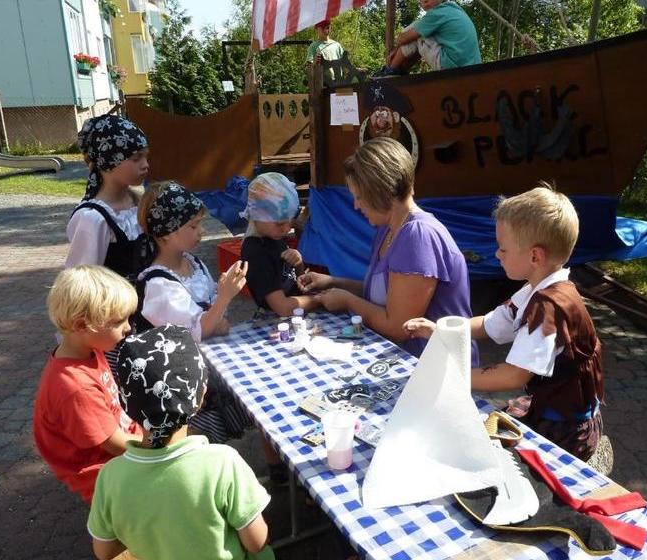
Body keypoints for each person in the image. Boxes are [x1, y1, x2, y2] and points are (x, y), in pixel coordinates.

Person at [404, 185, 605, 461]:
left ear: (535, 256)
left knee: (495, 461)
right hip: (551, 407)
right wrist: (440, 330)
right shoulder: (537, 288)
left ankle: (587, 461)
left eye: (503, 249)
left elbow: (513, 375)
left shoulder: (548, 307)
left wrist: (454, 377)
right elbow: (491, 324)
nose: (497, 255)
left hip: (567, 429)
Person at [87, 325, 274, 560]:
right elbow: (256, 542)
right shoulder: (222, 463)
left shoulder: (110, 476)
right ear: (201, 395)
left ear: (125, 403)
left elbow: (104, 551)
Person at [298, 137, 478, 364]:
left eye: (359, 197)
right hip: (412, 362)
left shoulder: (418, 236)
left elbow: (399, 327)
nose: (356, 205)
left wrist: (347, 301)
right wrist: (333, 282)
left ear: (380, 191)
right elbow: (387, 294)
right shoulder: (388, 229)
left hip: (438, 367)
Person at [135, 181, 252, 444]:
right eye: (193, 226)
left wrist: (219, 305)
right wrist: (223, 298)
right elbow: (197, 332)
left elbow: (213, 318)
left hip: (208, 366)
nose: (201, 232)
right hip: (181, 382)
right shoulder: (158, 285)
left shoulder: (192, 263)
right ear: (165, 233)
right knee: (198, 441)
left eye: (200, 224)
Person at [33, 266, 142, 502]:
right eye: (118, 321)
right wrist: (161, 446)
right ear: (82, 325)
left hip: (122, 441)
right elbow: (115, 445)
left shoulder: (89, 350)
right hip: (104, 473)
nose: (128, 327)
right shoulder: (75, 387)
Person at [65, 114, 151, 279]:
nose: (145, 165)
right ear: (108, 161)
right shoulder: (93, 218)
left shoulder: (140, 204)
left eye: (146, 157)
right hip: (115, 304)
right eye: (136, 158)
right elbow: (83, 283)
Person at [240, 173, 319, 317]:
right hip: (276, 322)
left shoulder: (274, 237)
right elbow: (282, 308)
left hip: (297, 312)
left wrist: (298, 264)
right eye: (280, 223)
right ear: (257, 215)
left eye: (290, 221)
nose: (287, 229)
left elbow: (297, 283)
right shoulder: (256, 252)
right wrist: (321, 300)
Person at [374, 0, 481, 77]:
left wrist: (395, 50)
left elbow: (403, 38)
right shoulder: (453, 9)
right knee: (419, 31)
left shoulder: (436, 14)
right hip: (472, 67)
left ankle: (390, 71)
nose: (424, 1)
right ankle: (399, 71)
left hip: (452, 67)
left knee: (416, 33)